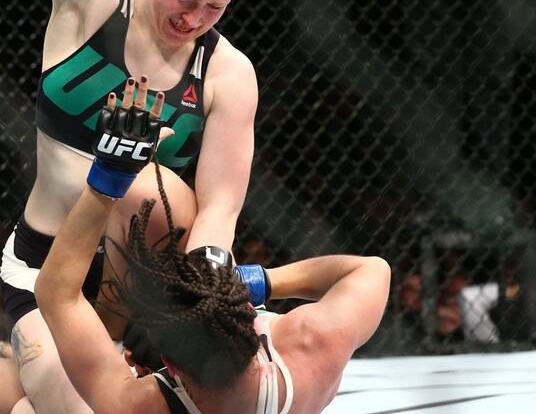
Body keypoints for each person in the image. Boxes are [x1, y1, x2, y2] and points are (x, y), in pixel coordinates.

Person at [0, 0, 261, 411]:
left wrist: (202, 297)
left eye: (215, 7)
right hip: (47, 267)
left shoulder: (228, 73)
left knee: (153, 190)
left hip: (145, 285)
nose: (193, 18)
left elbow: (219, 208)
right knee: (66, 405)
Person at [34, 79, 390, 413]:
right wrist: (253, 282)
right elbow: (372, 269)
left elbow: (56, 294)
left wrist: (107, 180)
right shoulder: (313, 348)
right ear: (249, 320)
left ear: (168, 364)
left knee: (28, 398)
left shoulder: (140, 404)